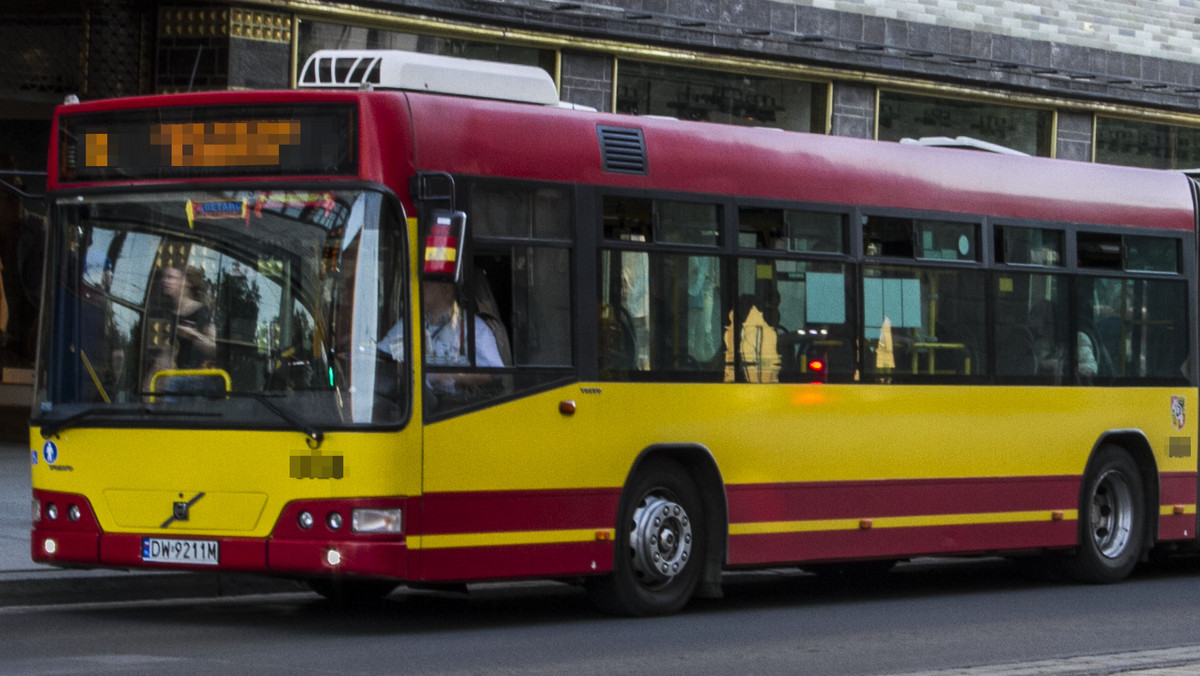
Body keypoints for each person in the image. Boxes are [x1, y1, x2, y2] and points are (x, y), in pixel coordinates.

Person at [422, 280, 503, 395]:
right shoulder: (421, 324)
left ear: (445, 288)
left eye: (425, 285)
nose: (418, 290)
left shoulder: (473, 327)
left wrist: (450, 376)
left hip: (456, 406)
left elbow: (493, 373)